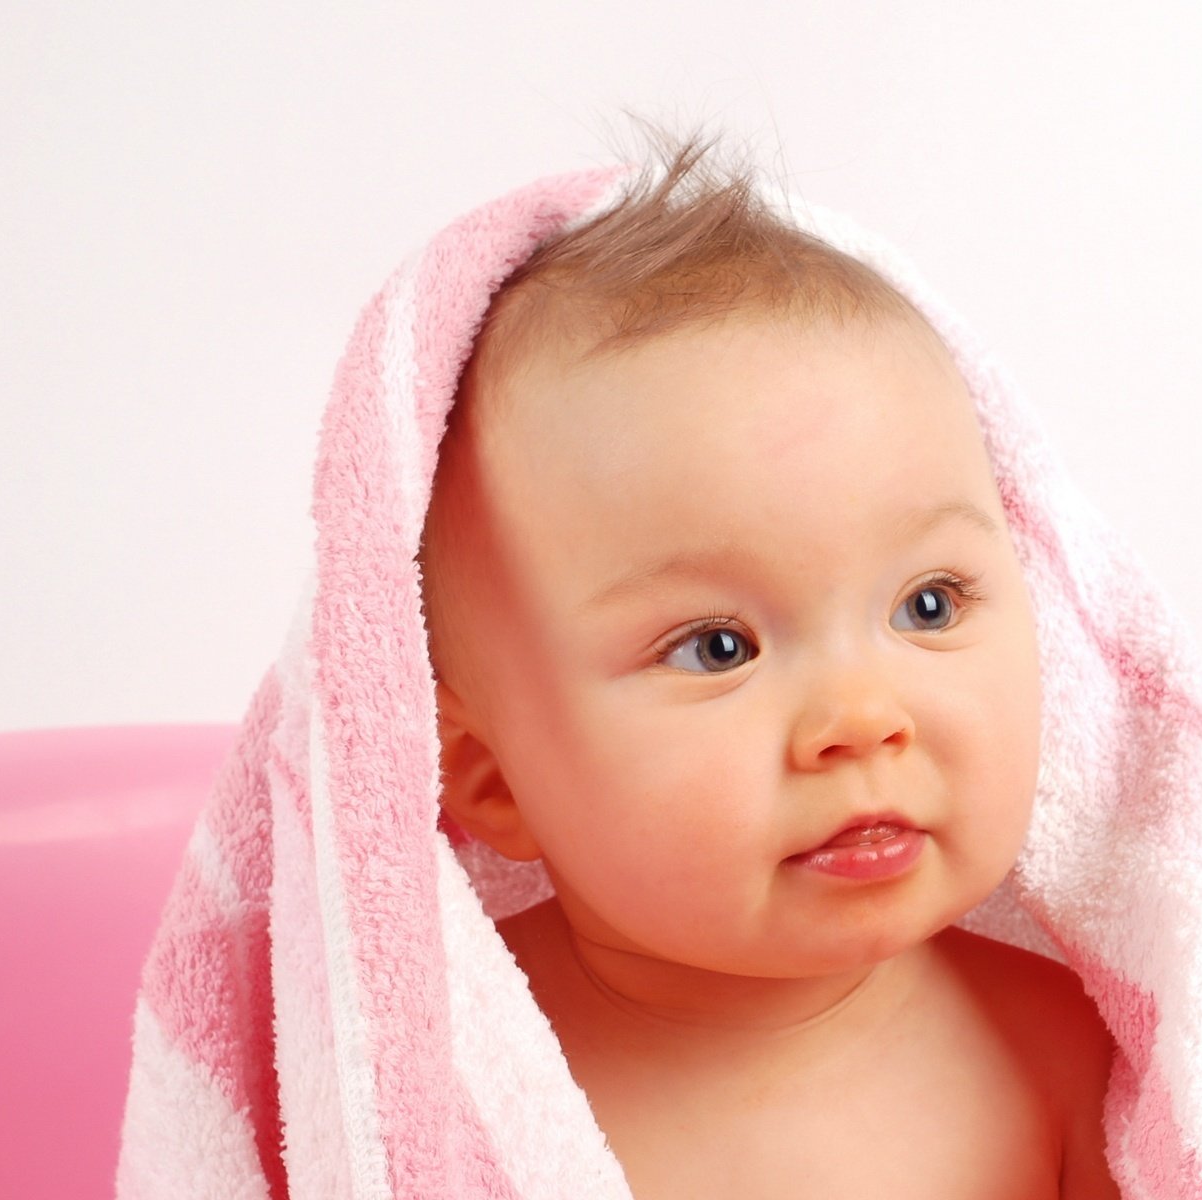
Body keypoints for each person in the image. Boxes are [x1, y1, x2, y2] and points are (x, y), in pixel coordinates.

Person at [415, 124, 1123, 1199]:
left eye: (928, 605)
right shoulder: (443, 1086)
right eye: (718, 647)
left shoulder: (1064, 1055)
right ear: (490, 777)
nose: (863, 715)